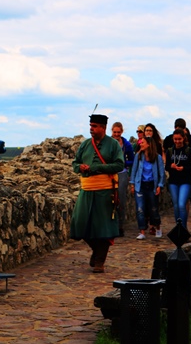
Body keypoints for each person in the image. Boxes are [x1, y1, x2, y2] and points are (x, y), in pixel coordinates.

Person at [70, 114, 125, 273]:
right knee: (80, 224)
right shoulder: (85, 144)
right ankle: (96, 251)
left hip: (105, 191)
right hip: (87, 190)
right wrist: (80, 167)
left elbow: (119, 165)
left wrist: (96, 168)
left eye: (94, 126)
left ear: (103, 127)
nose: (91, 129)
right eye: (91, 125)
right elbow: (75, 163)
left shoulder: (113, 145)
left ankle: (100, 260)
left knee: (104, 227)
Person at [130, 135, 165, 240]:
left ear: (149, 144)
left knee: (153, 208)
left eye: (143, 142)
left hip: (152, 185)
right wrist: (132, 184)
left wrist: (160, 185)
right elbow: (134, 170)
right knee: (140, 209)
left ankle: (157, 227)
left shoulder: (157, 157)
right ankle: (142, 231)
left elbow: (161, 173)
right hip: (140, 185)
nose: (140, 144)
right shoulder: (138, 156)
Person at [165, 129, 191, 231]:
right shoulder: (170, 151)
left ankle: (183, 227)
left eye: (179, 139)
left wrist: (184, 168)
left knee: (181, 204)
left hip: (185, 181)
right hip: (173, 181)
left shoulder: (189, 151)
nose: (177, 141)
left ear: (183, 138)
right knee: (176, 206)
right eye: (175, 139)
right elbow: (166, 166)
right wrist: (171, 166)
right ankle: (178, 227)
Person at [111, 121, 135, 237]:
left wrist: (124, 163)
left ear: (122, 132)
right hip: (110, 173)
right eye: (115, 132)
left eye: (118, 132)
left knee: (121, 199)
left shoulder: (126, 144)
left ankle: (120, 226)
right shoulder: (107, 143)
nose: (116, 134)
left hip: (122, 173)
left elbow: (132, 159)